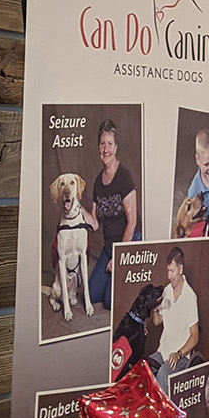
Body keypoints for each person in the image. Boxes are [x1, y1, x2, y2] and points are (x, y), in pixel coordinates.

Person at [84, 121, 139, 310]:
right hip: (109, 246)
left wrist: (119, 257)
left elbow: (132, 223)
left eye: (109, 144)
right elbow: (94, 224)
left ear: (116, 147)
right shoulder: (98, 182)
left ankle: (128, 274)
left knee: (109, 302)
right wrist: (74, 204)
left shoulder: (124, 176)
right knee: (90, 296)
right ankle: (113, 277)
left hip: (129, 242)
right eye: (102, 143)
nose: (105, 149)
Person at [154, 245, 203, 388]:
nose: (169, 276)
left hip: (181, 357)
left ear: (180, 269)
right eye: (167, 271)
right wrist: (155, 310)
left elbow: (195, 336)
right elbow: (157, 322)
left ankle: (164, 411)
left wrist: (179, 354)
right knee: (144, 367)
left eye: (172, 271)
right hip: (162, 352)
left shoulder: (190, 297)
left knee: (163, 372)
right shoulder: (166, 291)